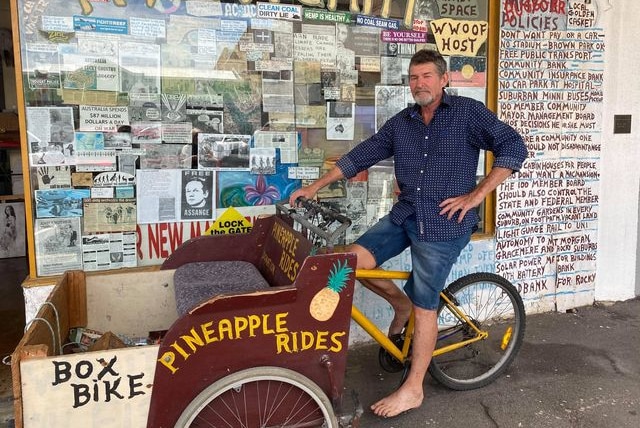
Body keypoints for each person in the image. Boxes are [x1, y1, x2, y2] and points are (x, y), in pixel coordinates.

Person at [289, 49, 527, 418]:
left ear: (444, 79)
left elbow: (514, 146)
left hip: (445, 223)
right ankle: (398, 304)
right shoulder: (403, 122)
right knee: (349, 264)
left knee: (424, 300)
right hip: (406, 214)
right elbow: (362, 154)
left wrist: (476, 194)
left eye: (427, 76)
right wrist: (317, 186)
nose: (419, 84)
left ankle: (413, 388)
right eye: (414, 78)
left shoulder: (467, 114)